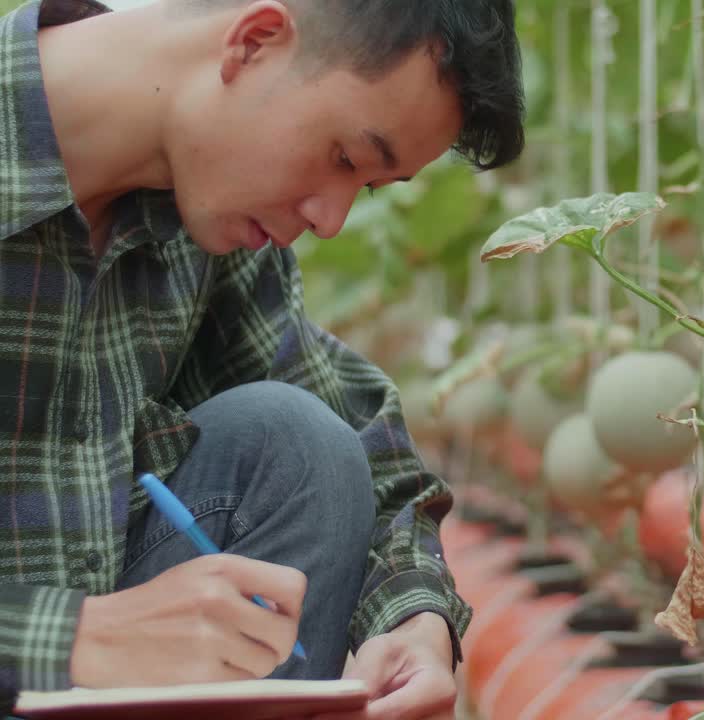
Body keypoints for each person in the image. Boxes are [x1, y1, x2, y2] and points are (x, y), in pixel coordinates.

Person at [0, 0, 524, 717]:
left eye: (365, 187)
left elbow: (363, 448)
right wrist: (74, 637)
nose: (330, 221)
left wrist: (413, 614)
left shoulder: (206, 220)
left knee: (298, 445)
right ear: (253, 42)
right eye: (345, 158)